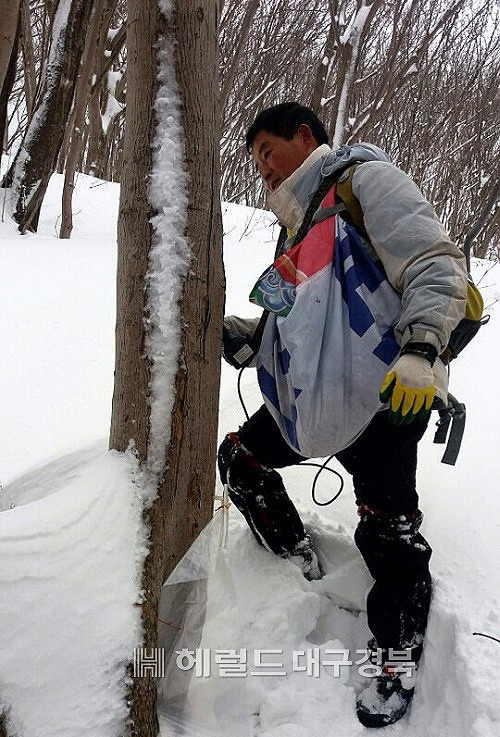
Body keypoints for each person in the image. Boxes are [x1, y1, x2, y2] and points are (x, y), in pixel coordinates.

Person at [218, 102, 468, 728]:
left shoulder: (366, 181)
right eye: (256, 166)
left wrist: (420, 350)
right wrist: (254, 335)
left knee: (389, 534)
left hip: (389, 393)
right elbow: (290, 310)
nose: (263, 173)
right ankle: (297, 561)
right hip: (313, 400)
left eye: (267, 154)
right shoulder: (295, 223)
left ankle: (396, 658)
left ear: (305, 137)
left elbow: (433, 264)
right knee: (241, 460)